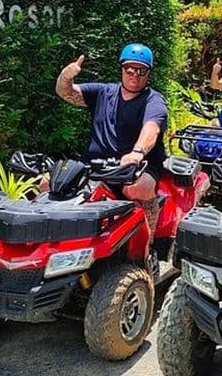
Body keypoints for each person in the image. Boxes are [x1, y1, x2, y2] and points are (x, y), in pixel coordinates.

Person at [55, 43, 167, 242]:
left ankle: (147, 245)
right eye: (130, 69)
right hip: (95, 164)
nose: (135, 74)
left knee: (138, 188)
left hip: (138, 166)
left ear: (148, 73)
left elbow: (152, 127)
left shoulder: (153, 100)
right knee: (51, 183)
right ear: (122, 69)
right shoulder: (103, 92)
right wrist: (66, 76)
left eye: (141, 70)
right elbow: (67, 93)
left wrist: (137, 153)